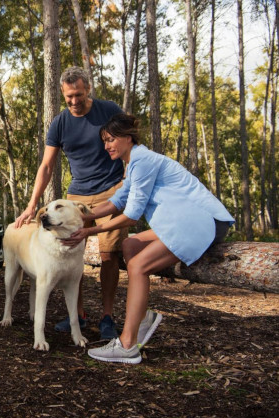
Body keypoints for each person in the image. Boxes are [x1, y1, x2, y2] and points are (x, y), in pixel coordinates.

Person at [69, 113, 234, 363]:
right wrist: (84, 216)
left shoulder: (143, 160)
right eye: (104, 141)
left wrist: (90, 231)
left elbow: (132, 216)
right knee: (130, 244)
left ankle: (127, 345)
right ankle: (143, 317)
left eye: (111, 139)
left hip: (201, 220)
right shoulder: (134, 163)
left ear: (128, 138)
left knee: (138, 266)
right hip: (183, 219)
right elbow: (118, 201)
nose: (107, 146)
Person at [14, 66, 128, 340]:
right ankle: (78, 314)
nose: (74, 102)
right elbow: (46, 166)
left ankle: (107, 317)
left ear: (87, 88)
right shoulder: (60, 123)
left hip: (110, 191)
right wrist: (32, 206)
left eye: (78, 94)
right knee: (71, 250)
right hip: (77, 195)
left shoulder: (108, 110)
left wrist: (127, 181)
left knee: (109, 254)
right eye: (68, 97)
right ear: (63, 95)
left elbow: (128, 145)